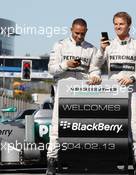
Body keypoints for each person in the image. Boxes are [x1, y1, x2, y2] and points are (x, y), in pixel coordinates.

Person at [92, 12, 136, 175]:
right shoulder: (108, 45)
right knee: (111, 127)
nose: (118, 27)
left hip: (131, 91)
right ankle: (110, 161)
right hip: (112, 93)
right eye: (116, 24)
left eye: (121, 24)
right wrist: (101, 49)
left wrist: (133, 77)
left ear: (129, 25)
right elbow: (95, 65)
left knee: (135, 127)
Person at [46, 18, 101, 175]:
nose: (79, 36)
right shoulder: (60, 45)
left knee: (83, 129)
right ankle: (51, 162)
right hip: (63, 94)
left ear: (86, 32)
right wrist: (66, 65)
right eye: (76, 33)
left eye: (82, 34)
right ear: (71, 30)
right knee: (57, 130)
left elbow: (95, 69)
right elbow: (51, 69)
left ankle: (80, 162)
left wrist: (96, 76)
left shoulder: (91, 49)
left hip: (84, 94)